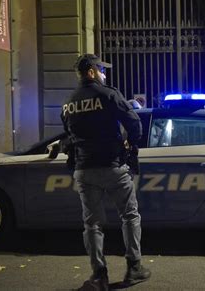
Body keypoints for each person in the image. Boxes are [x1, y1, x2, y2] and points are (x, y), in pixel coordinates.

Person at [61, 54, 151, 290]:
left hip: (84, 169)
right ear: (91, 72)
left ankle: (99, 275)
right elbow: (134, 123)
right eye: (101, 69)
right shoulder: (108, 94)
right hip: (112, 167)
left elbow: (69, 137)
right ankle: (134, 268)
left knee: (92, 224)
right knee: (130, 216)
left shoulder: (68, 103)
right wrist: (131, 144)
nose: (104, 74)